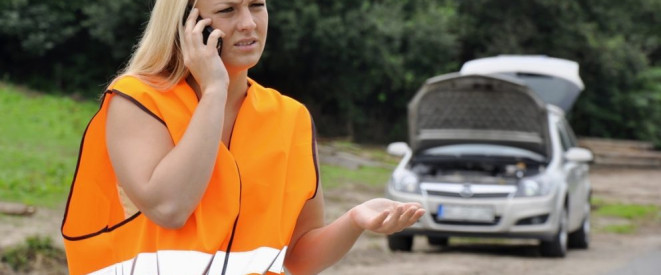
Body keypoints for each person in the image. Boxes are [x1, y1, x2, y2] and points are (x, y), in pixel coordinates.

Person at [60, 0, 425, 274]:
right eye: (228, 10)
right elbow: (169, 208)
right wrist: (214, 89)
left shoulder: (291, 118)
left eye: (256, 6)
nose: (249, 23)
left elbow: (297, 258)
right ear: (186, 24)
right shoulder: (138, 100)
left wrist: (354, 220)